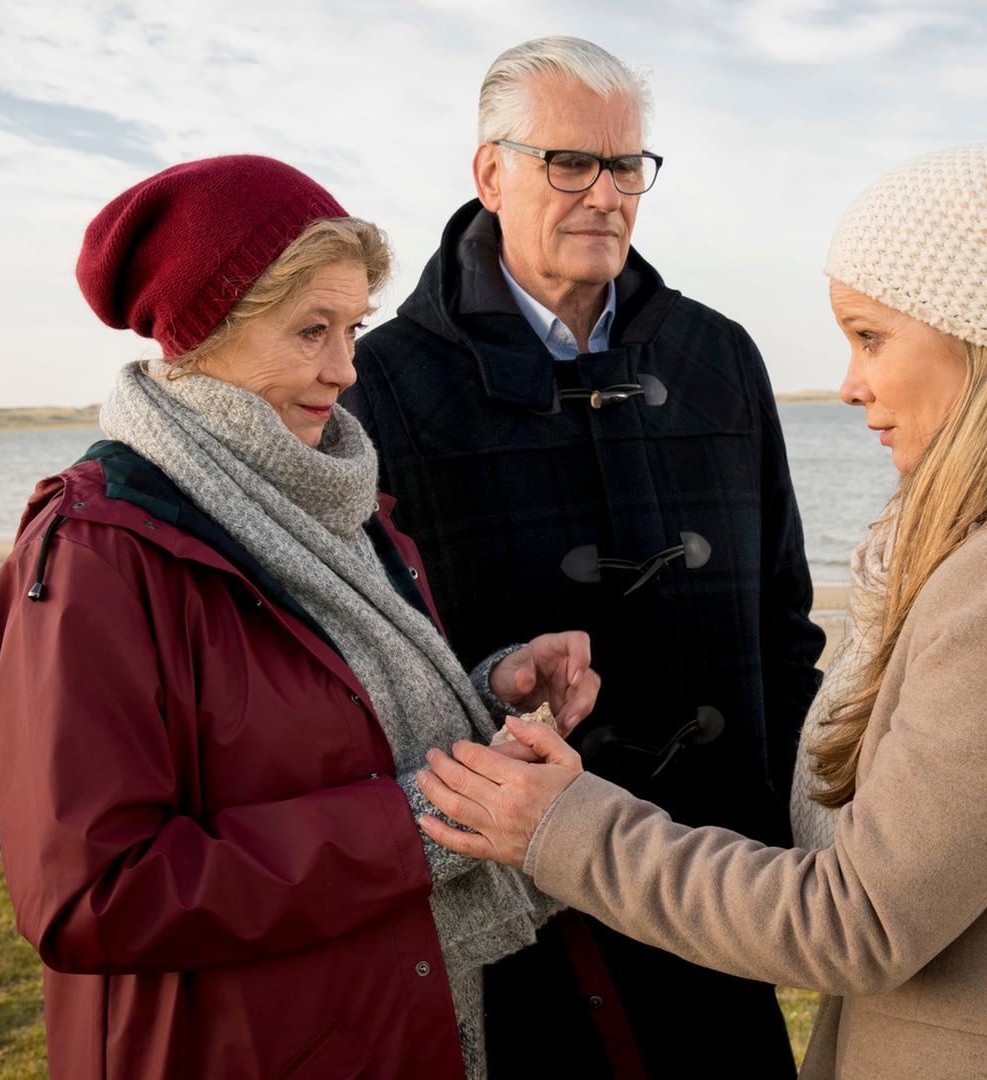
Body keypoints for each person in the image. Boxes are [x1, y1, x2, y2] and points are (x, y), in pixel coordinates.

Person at [415, 141, 987, 1080]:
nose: (848, 384)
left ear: (978, 336)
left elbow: (859, 921)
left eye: (871, 337)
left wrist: (565, 827)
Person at [0, 154, 601, 1080]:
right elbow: (91, 895)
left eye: (353, 327)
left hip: (396, 1025)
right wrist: (419, 823)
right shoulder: (98, 553)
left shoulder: (341, 502)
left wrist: (486, 690)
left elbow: (321, 726)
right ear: (203, 333)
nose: (345, 369)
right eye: (312, 330)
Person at [342, 36, 825, 1078]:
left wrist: (787, 826)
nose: (605, 194)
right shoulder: (379, 386)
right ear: (490, 173)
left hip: (721, 883)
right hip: (517, 902)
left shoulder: (718, 355)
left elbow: (784, 621)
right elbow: (368, 671)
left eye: (625, 166)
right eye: (570, 163)